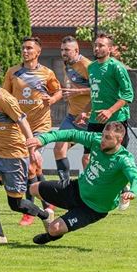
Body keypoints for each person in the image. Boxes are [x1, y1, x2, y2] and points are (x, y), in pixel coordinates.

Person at [25, 122, 137, 245]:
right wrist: (43, 139)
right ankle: (46, 216)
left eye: (108, 138)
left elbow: (136, 178)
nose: (103, 140)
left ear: (119, 140)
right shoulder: (96, 140)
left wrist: (132, 191)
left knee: (54, 229)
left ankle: (50, 235)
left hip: (93, 209)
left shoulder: (124, 160)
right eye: (103, 135)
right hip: (76, 189)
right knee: (34, 189)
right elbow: (71, 134)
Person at [0, 56, 55, 244]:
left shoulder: (3, 97)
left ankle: (45, 215)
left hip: (14, 156)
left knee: (16, 204)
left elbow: (22, 120)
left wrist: (32, 148)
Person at [78, 33, 137, 214]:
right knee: (87, 158)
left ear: (110, 49)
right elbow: (95, 94)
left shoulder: (117, 68)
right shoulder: (92, 68)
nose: (97, 48)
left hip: (115, 121)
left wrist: (109, 111)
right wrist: (86, 111)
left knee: (115, 162)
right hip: (95, 120)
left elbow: (127, 95)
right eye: (95, 45)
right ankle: (93, 194)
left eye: (102, 45)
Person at [2, 36, 62, 226]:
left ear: (38, 52)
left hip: (41, 127)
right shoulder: (13, 73)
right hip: (20, 127)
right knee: (34, 168)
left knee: (30, 166)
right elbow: (4, 98)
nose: (25, 51)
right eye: (24, 48)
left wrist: (52, 100)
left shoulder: (47, 73)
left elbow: (58, 91)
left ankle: (29, 211)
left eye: (29, 48)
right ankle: (48, 203)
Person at [54, 36, 92, 182]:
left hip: (89, 118)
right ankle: (65, 185)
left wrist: (78, 92)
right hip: (72, 117)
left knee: (87, 160)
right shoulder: (67, 64)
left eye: (67, 50)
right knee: (59, 149)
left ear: (76, 50)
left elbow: (100, 89)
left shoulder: (87, 66)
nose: (64, 53)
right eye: (62, 50)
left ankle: (125, 189)